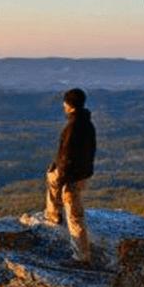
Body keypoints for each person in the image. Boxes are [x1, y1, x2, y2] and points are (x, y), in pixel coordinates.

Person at [45, 88, 96, 267]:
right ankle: (53, 214)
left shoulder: (73, 127)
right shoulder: (86, 123)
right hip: (80, 173)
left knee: (74, 216)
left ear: (69, 105)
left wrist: (64, 178)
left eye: (65, 102)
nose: (63, 105)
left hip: (72, 177)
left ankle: (81, 257)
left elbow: (67, 155)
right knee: (51, 176)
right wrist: (57, 166)